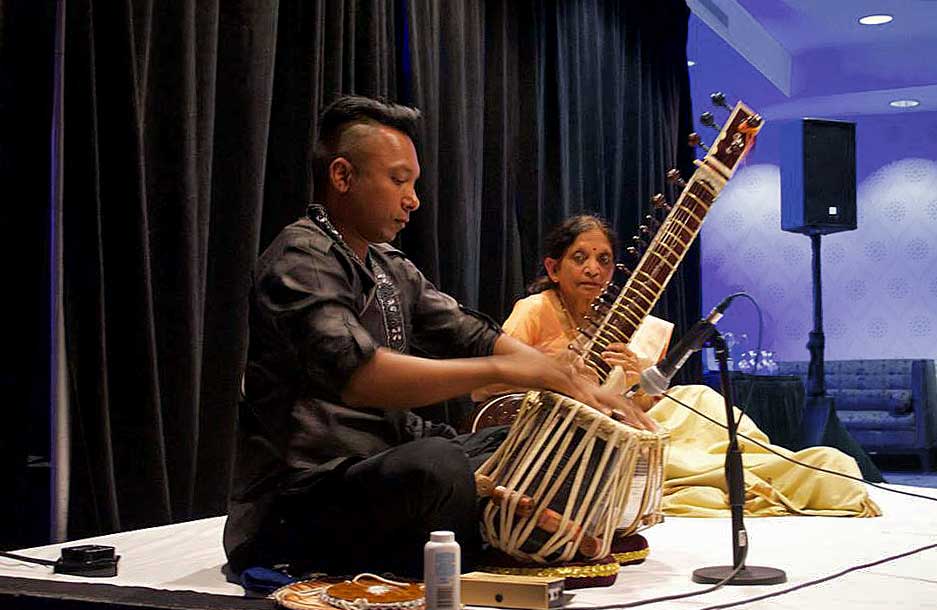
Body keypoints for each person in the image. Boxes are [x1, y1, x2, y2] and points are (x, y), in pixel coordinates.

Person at [222, 96, 653, 582]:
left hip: (383, 468)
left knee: (552, 433)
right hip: (303, 497)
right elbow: (359, 375)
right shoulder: (301, 259)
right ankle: (491, 530)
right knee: (437, 465)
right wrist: (506, 370)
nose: (413, 199)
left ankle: (495, 525)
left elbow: (472, 334)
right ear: (342, 177)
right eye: (398, 181)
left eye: (415, 184)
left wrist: (571, 383)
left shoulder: (388, 264)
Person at [499, 214, 881, 519]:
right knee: (679, 451)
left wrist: (634, 378)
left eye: (604, 260)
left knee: (698, 396)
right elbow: (489, 387)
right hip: (579, 435)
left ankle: (774, 463)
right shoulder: (535, 310)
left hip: (636, 419)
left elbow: (643, 405)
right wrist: (554, 369)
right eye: (579, 258)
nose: (593, 270)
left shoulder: (635, 323)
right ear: (553, 268)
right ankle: (761, 477)